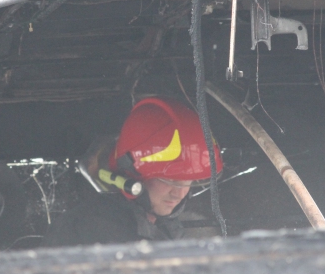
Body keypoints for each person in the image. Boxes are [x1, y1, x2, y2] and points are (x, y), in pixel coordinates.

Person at [43, 97, 223, 247]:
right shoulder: (88, 232)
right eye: (170, 180)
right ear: (132, 172)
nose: (179, 194)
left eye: (188, 181)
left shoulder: (167, 229)